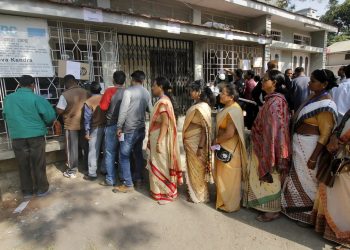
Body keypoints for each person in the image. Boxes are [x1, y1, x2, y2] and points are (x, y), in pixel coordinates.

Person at [281, 69, 338, 226]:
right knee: (297, 176)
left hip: (310, 146)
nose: (309, 83)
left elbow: (325, 135)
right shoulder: (313, 97)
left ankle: (307, 215)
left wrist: (314, 157)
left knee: (309, 180)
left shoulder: (326, 104)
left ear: (324, 84)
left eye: (313, 80)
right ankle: (294, 209)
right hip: (300, 144)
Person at [243, 70, 291, 222]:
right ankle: (260, 204)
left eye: (265, 80)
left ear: (274, 83)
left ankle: (272, 210)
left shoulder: (276, 102)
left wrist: (268, 151)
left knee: (271, 176)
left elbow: (274, 131)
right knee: (261, 176)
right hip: (264, 145)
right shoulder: (271, 100)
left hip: (270, 147)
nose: (262, 83)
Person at [3, 75, 56, 198]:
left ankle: (27, 191)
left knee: (22, 164)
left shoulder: (8, 99)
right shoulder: (37, 99)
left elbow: (5, 116)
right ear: (33, 85)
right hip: (36, 136)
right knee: (38, 163)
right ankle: (42, 189)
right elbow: (50, 117)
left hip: (17, 136)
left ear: (19, 85)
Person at [313, 109, 350, 248]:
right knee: (332, 194)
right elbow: (339, 129)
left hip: (347, 165)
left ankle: (344, 234)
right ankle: (329, 231)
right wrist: (334, 138)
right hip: (339, 160)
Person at [114, 70, 152, 192]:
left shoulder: (128, 91)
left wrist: (119, 126)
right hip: (141, 128)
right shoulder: (146, 92)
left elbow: (123, 111)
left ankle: (128, 183)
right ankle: (139, 179)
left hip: (129, 129)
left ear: (133, 79)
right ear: (143, 80)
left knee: (124, 155)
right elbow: (150, 110)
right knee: (138, 154)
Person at [147, 77, 183, 205]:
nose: (152, 88)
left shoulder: (163, 102)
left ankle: (167, 193)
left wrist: (159, 141)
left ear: (160, 87)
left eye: (154, 85)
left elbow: (165, 123)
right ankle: (160, 191)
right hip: (158, 136)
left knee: (161, 164)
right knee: (159, 163)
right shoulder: (164, 101)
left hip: (160, 137)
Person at [214, 83, 247, 212]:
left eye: (223, 93)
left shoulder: (234, 110)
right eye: (221, 92)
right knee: (223, 176)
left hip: (229, 147)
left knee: (228, 178)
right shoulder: (228, 108)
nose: (220, 95)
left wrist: (215, 141)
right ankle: (222, 201)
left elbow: (229, 134)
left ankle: (229, 205)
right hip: (223, 145)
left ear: (231, 96)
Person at [183, 80, 215, 203]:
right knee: (193, 168)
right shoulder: (199, 106)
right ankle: (194, 191)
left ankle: (198, 195)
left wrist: (200, 147)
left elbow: (204, 129)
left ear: (199, 92)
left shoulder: (201, 107)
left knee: (197, 168)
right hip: (191, 142)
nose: (190, 93)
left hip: (197, 144)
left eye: (192, 90)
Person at [57, 75, 90, 178]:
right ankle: (87, 167)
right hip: (85, 124)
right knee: (86, 146)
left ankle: (72, 171)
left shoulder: (65, 94)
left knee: (72, 148)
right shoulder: (86, 92)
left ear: (67, 83)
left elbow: (59, 110)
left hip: (71, 125)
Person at [99, 71, 126, 186]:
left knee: (110, 152)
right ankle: (122, 177)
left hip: (111, 126)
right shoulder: (127, 91)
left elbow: (103, 107)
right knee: (122, 152)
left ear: (113, 80)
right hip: (124, 127)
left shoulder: (109, 91)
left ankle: (110, 179)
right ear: (124, 81)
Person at [83, 82, 106, 181]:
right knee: (106, 150)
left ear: (90, 90)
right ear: (100, 89)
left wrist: (87, 132)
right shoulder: (105, 98)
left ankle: (92, 173)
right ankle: (104, 169)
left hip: (95, 128)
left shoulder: (89, 102)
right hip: (107, 126)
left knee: (93, 151)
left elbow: (87, 119)